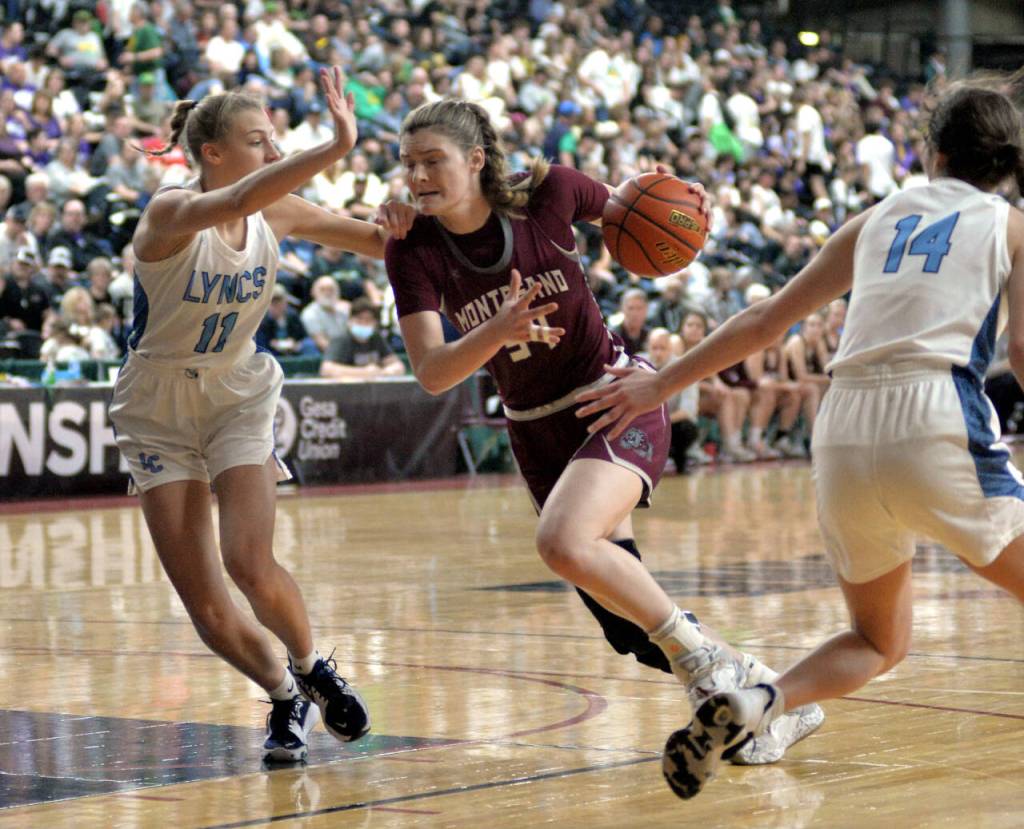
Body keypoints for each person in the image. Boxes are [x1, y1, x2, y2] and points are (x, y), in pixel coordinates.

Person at [576, 77, 1024, 799]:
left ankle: (763, 703)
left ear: (933, 152)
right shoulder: (1011, 227)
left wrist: (659, 384)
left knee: (879, 639)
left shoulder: (876, 219)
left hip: (843, 425)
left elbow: (764, 321)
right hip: (937, 412)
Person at [378, 98, 823, 765]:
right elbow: (434, 371)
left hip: (615, 397)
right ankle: (770, 695)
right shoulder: (410, 246)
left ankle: (705, 669)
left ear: (475, 159)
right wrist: (496, 330)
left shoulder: (549, 193)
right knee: (633, 629)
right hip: (536, 434)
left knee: (561, 539)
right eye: (407, 164)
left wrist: (684, 198)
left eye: (432, 160)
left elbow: (638, 206)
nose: (417, 176)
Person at [108, 68, 400, 765]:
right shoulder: (170, 212)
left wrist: (420, 226)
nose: (273, 152)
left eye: (275, 141)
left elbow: (379, 246)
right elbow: (241, 195)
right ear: (212, 151)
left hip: (238, 392)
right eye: (259, 139)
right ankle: (281, 692)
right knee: (207, 606)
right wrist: (337, 146)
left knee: (249, 560)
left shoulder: (278, 211)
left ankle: (310, 665)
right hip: (156, 408)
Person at [319, 296, 404, 380]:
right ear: (350, 321)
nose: (363, 323)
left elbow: (397, 366)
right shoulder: (341, 340)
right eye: (359, 319)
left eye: (368, 320)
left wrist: (383, 372)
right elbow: (326, 369)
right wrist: (364, 372)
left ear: (375, 323)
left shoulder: (376, 338)